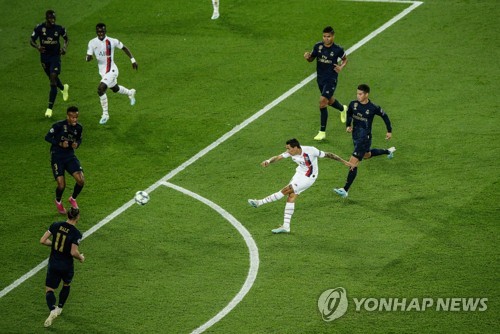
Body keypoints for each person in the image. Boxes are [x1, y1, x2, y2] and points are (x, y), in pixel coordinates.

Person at [248, 138, 351, 234]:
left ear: (296, 147)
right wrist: (268, 161)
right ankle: (286, 227)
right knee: (291, 196)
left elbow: (329, 155)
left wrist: (344, 161)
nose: (287, 151)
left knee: (285, 191)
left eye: (289, 148)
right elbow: (278, 157)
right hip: (299, 174)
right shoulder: (291, 153)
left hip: (308, 177)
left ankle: (259, 202)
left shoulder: (311, 150)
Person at [333, 84, 396, 198]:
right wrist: (348, 125)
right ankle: (388, 151)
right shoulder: (353, 104)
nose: (358, 96)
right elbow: (349, 113)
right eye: (357, 93)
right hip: (356, 135)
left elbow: (384, 116)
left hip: (364, 138)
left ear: (366, 94)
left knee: (352, 162)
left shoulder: (373, 107)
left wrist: (389, 130)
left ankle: (345, 189)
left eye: (360, 94)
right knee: (367, 155)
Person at [40, 207, 85, 328]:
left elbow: (43, 240)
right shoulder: (76, 233)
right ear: (77, 217)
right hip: (66, 266)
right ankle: (59, 308)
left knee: (49, 289)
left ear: (67, 214)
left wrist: (54, 244)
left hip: (54, 264)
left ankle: (52, 310)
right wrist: (80, 257)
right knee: (66, 285)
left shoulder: (55, 225)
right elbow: (73, 252)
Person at [86, 23, 138, 124]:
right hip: (103, 72)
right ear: (96, 31)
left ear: (105, 31)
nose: (100, 33)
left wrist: (133, 60)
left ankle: (105, 114)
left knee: (100, 89)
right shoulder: (92, 42)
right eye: (99, 31)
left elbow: (124, 48)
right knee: (115, 89)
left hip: (112, 70)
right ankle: (130, 93)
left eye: (102, 31)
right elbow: (88, 56)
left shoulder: (112, 41)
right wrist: (88, 58)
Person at [304, 26, 348, 141]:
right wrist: (307, 57)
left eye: (328, 36)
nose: (326, 39)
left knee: (322, 102)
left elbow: (345, 60)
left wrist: (341, 67)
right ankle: (343, 109)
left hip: (331, 78)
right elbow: (311, 59)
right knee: (329, 100)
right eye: (324, 36)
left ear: (333, 36)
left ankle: (322, 132)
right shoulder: (318, 46)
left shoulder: (338, 49)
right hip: (320, 78)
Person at [44, 106, 84, 214]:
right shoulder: (58, 125)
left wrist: (77, 144)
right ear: (67, 116)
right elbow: (47, 137)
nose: (75, 120)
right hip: (57, 157)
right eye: (72, 117)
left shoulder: (79, 128)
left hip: (69, 156)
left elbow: (79, 138)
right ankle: (58, 201)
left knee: (81, 180)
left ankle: (73, 199)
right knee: (61, 185)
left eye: (76, 117)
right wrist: (60, 143)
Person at [30, 10, 70, 118]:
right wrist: (37, 46)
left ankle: (49, 109)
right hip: (44, 58)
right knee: (53, 78)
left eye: (54, 18)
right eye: (51, 18)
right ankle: (63, 88)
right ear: (46, 18)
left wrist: (64, 48)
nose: (53, 20)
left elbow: (66, 39)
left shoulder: (59, 29)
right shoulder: (39, 28)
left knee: (53, 79)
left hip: (55, 57)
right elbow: (31, 40)